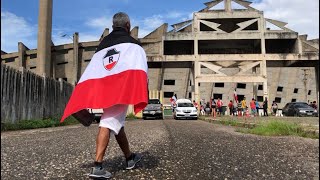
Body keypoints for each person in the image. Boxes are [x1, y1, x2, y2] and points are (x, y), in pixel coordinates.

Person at [60, 12, 148, 179]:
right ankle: (98, 166)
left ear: (113, 26)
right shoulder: (133, 45)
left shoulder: (102, 47)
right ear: (128, 26)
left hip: (107, 92)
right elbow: (140, 69)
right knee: (108, 122)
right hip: (120, 91)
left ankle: (129, 158)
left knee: (117, 124)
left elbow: (93, 72)